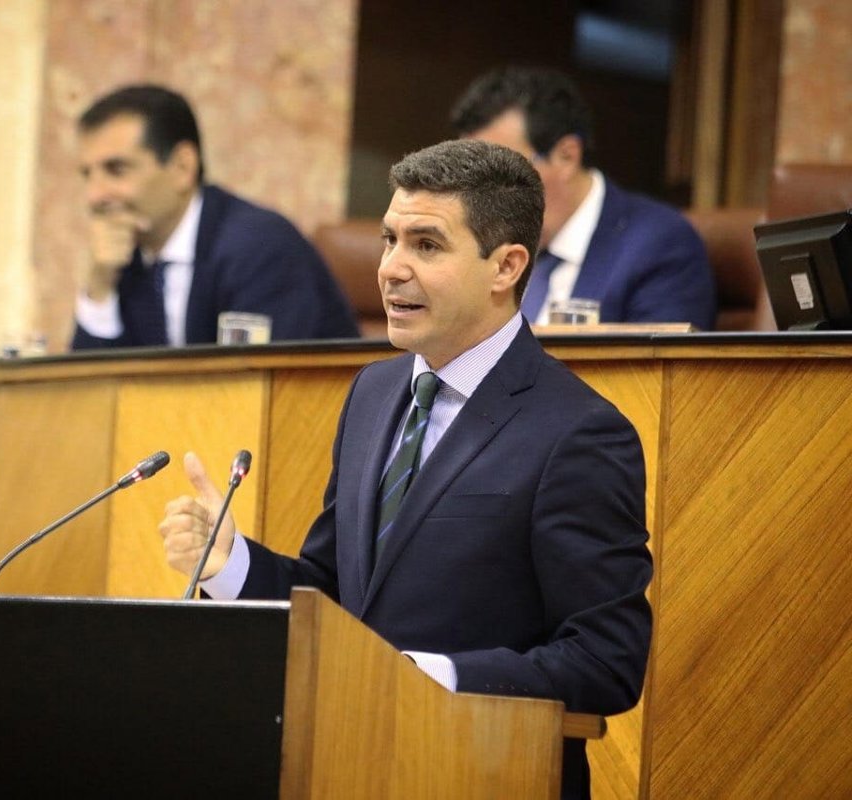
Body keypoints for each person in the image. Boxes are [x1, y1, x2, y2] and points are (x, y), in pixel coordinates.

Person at [158, 139, 653, 799]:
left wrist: (429, 678)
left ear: (506, 266)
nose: (391, 268)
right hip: (349, 769)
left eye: (426, 245)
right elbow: (336, 598)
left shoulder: (579, 432)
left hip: (485, 775)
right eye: (390, 240)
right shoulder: (374, 392)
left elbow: (606, 659)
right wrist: (230, 564)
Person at [71, 84, 359, 349]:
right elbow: (89, 383)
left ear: (182, 167)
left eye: (117, 170)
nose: (94, 196)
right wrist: (100, 282)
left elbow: (259, 381)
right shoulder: (126, 257)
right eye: (87, 175)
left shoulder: (260, 247)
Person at [450, 66, 716, 329]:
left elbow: (660, 357)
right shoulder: (479, 244)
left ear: (567, 155)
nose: (481, 193)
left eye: (501, 171)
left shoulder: (660, 244)